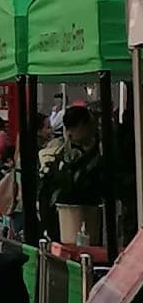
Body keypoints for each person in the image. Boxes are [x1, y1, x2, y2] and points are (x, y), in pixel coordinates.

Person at [39, 102, 106, 244]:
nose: (69, 133)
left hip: (95, 221)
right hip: (64, 223)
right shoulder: (62, 155)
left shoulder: (103, 152)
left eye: (74, 127)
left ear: (86, 124)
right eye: (67, 128)